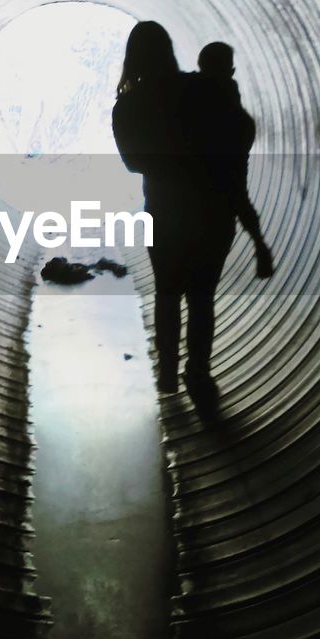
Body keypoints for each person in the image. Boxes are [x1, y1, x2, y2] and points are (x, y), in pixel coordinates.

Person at [111, 21, 239, 398]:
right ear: (169, 50)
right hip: (210, 208)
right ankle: (198, 373)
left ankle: (167, 375)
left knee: (167, 293)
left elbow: (133, 164)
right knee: (202, 297)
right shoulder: (200, 87)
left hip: (163, 211)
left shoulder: (128, 105)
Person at [197, 41, 274, 279]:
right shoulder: (240, 121)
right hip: (218, 220)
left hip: (182, 216)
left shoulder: (189, 113)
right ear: (231, 71)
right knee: (202, 298)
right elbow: (237, 190)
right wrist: (259, 243)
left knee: (169, 296)